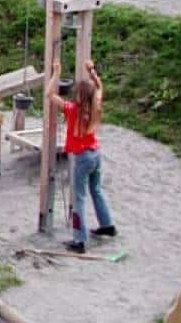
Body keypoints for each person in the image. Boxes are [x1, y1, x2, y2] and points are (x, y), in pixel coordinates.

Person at [46, 59, 117, 254]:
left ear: (78, 96)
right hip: (95, 154)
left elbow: (50, 94)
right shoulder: (96, 105)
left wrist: (56, 73)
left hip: (82, 158)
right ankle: (107, 225)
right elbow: (99, 86)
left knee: (78, 197)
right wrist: (92, 70)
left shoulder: (72, 111)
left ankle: (79, 240)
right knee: (96, 189)